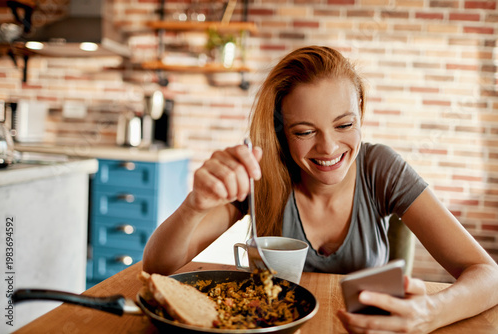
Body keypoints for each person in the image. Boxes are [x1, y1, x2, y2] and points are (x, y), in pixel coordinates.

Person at [143, 45, 498, 333]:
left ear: (360, 113)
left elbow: (488, 275)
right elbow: (159, 266)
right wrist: (195, 205)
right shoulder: (262, 174)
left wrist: (431, 311)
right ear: (281, 132)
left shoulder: (381, 168)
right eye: (304, 131)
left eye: (344, 124)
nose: (328, 148)